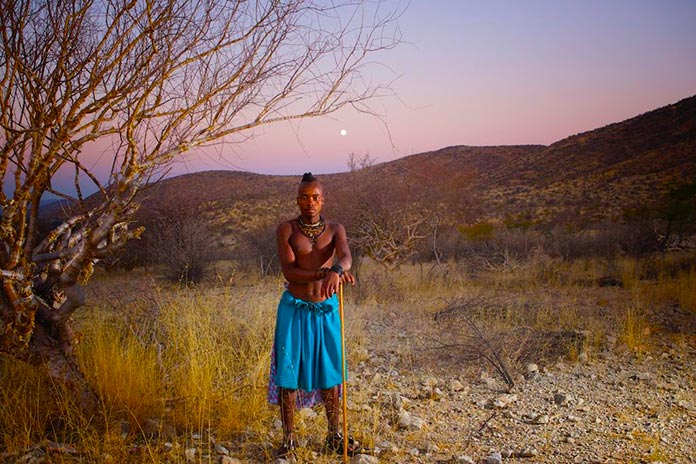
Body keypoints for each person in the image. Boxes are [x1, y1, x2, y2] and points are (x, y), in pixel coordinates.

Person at [268, 172, 362, 459]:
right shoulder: (286, 229)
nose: (310, 203)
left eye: (316, 198)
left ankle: (334, 435)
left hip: (326, 308)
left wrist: (337, 270)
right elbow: (289, 271)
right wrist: (323, 272)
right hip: (294, 308)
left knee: (331, 369)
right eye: (305, 197)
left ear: (323, 200)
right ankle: (289, 441)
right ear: (298, 200)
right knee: (288, 368)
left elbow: (346, 258)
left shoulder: (335, 229)